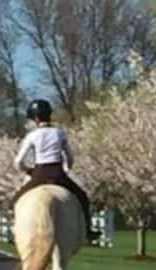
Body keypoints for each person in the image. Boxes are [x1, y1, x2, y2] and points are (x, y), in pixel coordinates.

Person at [12, 99, 99, 241]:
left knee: (16, 200)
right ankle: (89, 230)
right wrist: (66, 169)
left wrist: (29, 171)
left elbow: (18, 161)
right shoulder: (59, 133)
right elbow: (69, 158)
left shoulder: (32, 136)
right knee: (83, 197)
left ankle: (15, 231)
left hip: (39, 175)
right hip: (58, 175)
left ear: (36, 118)